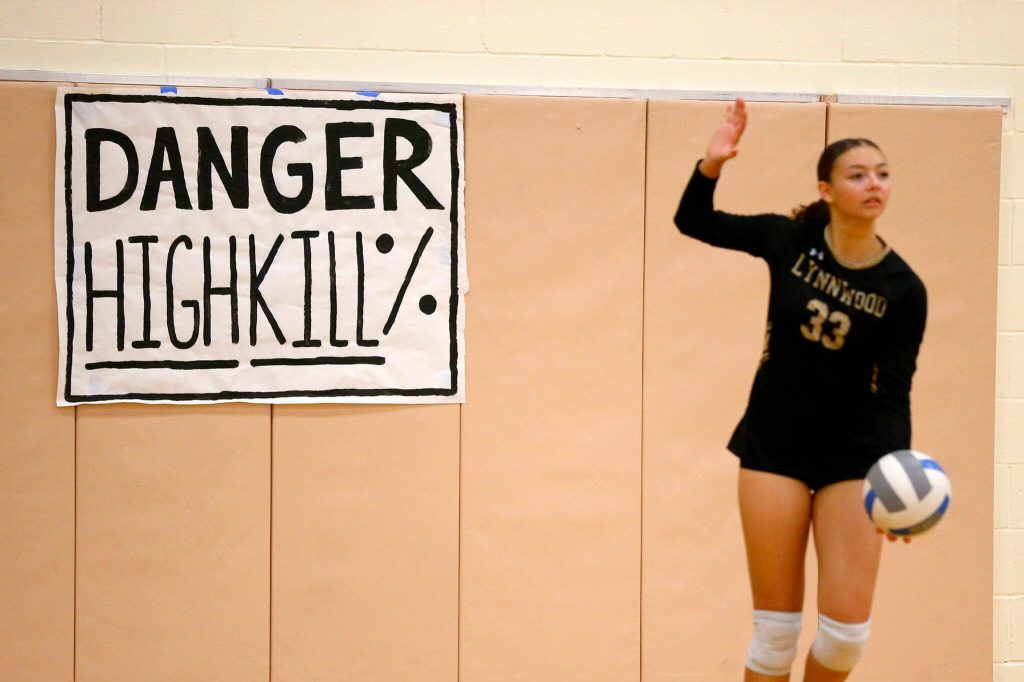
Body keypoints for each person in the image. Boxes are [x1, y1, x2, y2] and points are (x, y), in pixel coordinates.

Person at [673, 98, 927, 681]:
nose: (874, 184)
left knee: (843, 642)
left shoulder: (903, 288)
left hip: (854, 458)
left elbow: (894, 392)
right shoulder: (787, 241)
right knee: (774, 640)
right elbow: (694, 221)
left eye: (883, 174)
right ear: (828, 188)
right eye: (858, 174)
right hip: (775, 448)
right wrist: (712, 163)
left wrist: (896, 487)